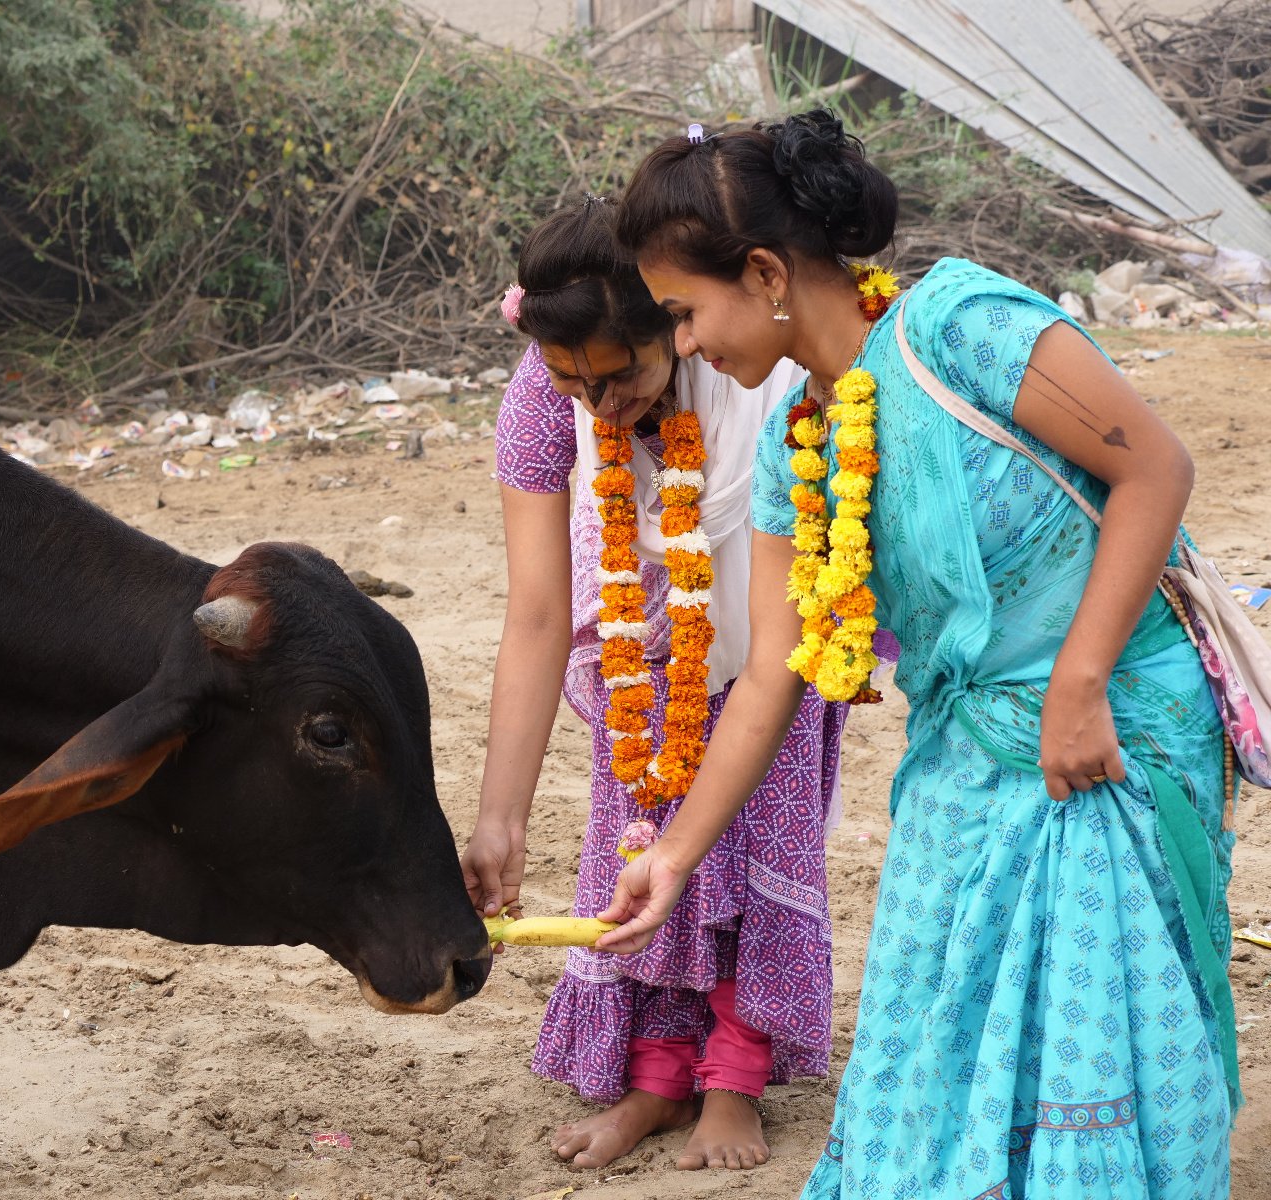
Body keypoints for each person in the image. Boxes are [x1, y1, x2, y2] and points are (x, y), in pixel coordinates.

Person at [596, 110, 1237, 1198]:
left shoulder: (962, 327)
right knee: (930, 1046)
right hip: (967, 752)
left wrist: (1077, 686)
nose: (686, 345)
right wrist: (674, 854)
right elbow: (771, 671)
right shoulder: (803, 441)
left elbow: (1155, 472)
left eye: (683, 312)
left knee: (1085, 1039)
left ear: (762, 273)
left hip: (1108, 729)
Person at [460, 194, 848, 1173]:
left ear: (674, 327)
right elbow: (539, 614)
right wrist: (497, 818)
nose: (597, 403)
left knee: (755, 857)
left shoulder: (755, 378)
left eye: (620, 373)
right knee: (641, 856)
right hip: (638, 656)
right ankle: (657, 1081)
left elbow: (779, 623)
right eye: (570, 381)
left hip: (771, 647)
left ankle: (733, 1083)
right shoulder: (540, 400)